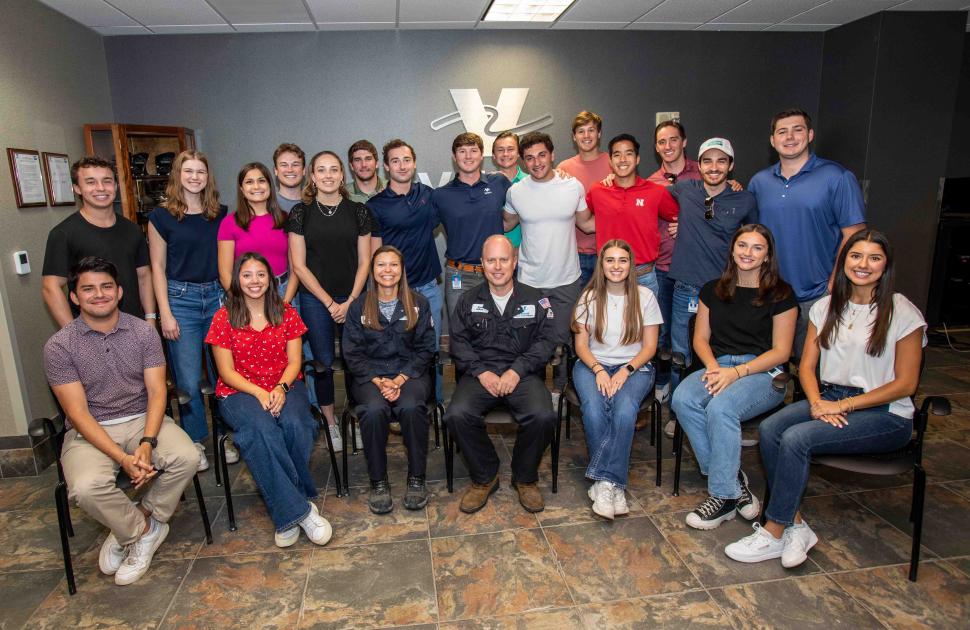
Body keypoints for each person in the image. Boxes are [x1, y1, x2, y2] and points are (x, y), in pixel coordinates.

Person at [726, 229, 924, 568]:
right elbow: (806, 368)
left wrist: (842, 406)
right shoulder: (825, 306)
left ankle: (774, 531)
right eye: (855, 256)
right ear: (843, 261)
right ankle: (796, 524)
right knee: (772, 429)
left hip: (885, 413)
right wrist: (819, 403)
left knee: (797, 438)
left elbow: (906, 384)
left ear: (885, 265)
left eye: (874, 257)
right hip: (830, 396)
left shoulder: (902, 312)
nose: (863, 264)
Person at [45, 257, 198, 586]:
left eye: (106, 287)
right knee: (86, 488)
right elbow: (78, 413)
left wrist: (146, 443)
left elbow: (157, 392)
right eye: (88, 289)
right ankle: (141, 531)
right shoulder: (60, 346)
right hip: (91, 432)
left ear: (119, 292)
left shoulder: (143, 332)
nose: (98, 295)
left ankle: (141, 517)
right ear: (74, 297)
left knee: (187, 457)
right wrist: (122, 459)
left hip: (142, 419)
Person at [670, 224, 797, 530]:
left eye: (757, 248)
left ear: (767, 256)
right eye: (742, 245)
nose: (748, 253)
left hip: (764, 373)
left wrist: (736, 373)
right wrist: (715, 368)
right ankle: (731, 479)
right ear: (733, 250)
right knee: (682, 399)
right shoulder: (713, 289)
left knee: (720, 408)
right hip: (718, 364)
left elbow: (781, 352)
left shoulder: (781, 294)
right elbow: (700, 338)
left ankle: (723, 495)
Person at [205, 253, 332, 548]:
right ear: (237, 279)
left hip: (284, 385)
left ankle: (286, 506)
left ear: (270, 279)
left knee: (298, 424)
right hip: (240, 392)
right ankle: (298, 511)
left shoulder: (286, 311)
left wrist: (279, 388)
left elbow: (295, 361)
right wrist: (260, 392)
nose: (254, 281)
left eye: (260, 274)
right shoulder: (223, 317)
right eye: (247, 275)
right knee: (260, 431)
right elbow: (225, 372)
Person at [445, 235, 557, 514]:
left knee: (543, 416)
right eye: (491, 260)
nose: (497, 266)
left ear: (515, 262)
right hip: (480, 374)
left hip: (523, 373)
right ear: (482, 264)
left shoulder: (537, 299)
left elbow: (546, 342)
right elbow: (458, 343)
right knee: (456, 415)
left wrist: (516, 372)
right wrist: (481, 373)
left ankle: (525, 477)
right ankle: (485, 475)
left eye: (503, 259)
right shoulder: (467, 300)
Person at [748, 109, 866, 358]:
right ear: (772, 140)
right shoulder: (759, 182)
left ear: (810, 134)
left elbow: (854, 235)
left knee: (813, 366)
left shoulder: (837, 177)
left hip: (816, 292)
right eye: (782, 131)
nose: (789, 137)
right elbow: (751, 236)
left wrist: (835, 282)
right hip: (770, 291)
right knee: (772, 365)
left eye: (797, 129)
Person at [147, 150, 229, 471]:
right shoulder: (161, 217)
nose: (195, 177)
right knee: (190, 379)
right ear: (178, 175)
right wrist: (164, 313)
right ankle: (196, 441)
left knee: (224, 373)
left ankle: (227, 435)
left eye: (201, 172)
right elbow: (157, 266)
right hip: (180, 299)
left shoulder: (220, 213)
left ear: (208, 177)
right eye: (188, 171)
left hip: (218, 296)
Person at [288, 150, 374, 451]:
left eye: (334, 170)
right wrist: (328, 302)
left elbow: (366, 261)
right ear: (312, 176)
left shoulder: (359, 211)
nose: (328, 175)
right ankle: (331, 423)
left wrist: (350, 300)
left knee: (355, 360)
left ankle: (358, 419)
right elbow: (298, 265)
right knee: (322, 363)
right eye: (321, 170)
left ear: (342, 175)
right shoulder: (300, 213)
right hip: (315, 300)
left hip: (354, 298)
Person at [572, 240, 662, 520]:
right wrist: (599, 370)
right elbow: (581, 346)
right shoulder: (588, 297)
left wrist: (626, 371)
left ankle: (604, 482)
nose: (616, 266)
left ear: (630, 265)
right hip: (592, 365)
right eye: (610, 260)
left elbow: (650, 348)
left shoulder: (645, 296)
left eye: (622, 260)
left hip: (635, 367)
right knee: (595, 409)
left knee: (624, 411)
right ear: (601, 265)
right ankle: (613, 484)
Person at [342, 246, 435, 514]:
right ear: (372, 271)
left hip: (409, 374)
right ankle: (379, 482)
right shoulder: (358, 306)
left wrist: (400, 378)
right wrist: (379, 380)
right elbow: (352, 352)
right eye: (381, 265)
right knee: (373, 410)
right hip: (370, 378)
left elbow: (426, 348)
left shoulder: (419, 303)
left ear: (402, 270)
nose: (387, 271)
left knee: (411, 407)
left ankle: (417, 479)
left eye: (393, 265)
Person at [503, 131, 592, 397]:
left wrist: (625, 219)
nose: (537, 162)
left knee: (564, 340)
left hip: (566, 280)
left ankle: (562, 392)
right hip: (530, 281)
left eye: (542, 155)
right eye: (529, 158)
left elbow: (587, 223)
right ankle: (537, 393)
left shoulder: (573, 186)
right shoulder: (516, 192)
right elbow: (506, 223)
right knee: (532, 340)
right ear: (523, 161)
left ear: (552, 155)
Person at [666, 138, 759, 391]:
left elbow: (755, 239)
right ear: (699, 165)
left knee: (718, 350)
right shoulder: (685, 189)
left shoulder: (745, 199)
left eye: (721, 161)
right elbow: (646, 191)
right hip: (687, 288)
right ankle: (677, 409)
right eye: (707, 161)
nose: (714, 167)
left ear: (731, 166)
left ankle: (714, 401)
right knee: (681, 351)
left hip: (725, 289)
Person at [367, 139, 443, 403]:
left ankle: (433, 406)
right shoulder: (375, 205)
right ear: (386, 167)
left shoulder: (429, 195)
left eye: (407, 160)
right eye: (395, 160)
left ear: (414, 163)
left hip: (428, 287)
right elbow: (374, 254)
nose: (402, 165)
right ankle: (398, 404)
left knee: (430, 350)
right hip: (393, 293)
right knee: (396, 352)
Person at [42, 156, 155, 326]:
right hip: (91, 332)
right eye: (91, 182)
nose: (101, 188)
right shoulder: (63, 233)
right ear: (77, 188)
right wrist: (75, 336)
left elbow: (144, 277)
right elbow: (51, 288)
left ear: (116, 186)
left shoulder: (132, 230)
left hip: (134, 328)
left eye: (107, 181)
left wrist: (150, 318)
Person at [583, 134, 679, 299]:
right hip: (608, 277)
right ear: (610, 161)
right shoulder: (598, 191)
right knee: (606, 325)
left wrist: (682, 225)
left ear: (637, 159)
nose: (622, 159)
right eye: (617, 154)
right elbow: (582, 217)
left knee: (647, 325)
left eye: (628, 153)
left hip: (644, 277)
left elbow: (679, 217)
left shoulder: (656, 192)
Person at [646, 120, 702, 404]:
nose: (668, 146)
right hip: (663, 268)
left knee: (692, 337)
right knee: (663, 332)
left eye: (673, 140)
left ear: (684, 141)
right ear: (656, 147)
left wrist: (691, 224)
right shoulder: (652, 182)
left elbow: (721, 211)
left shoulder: (705, 173)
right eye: (661, 142)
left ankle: (688, 397)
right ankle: (665, 382)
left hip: (697, 270)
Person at [432, 132, 512, 323]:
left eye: (473, 151)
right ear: (454, 156)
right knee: (461, 334)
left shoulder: (499, 183)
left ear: (482, 154)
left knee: (499, 330)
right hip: (459, 276)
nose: (468, 156)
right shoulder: (441, 195)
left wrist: (555, 174)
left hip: (496, 272)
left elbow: (524, 201)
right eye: (462, 151)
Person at [218, 162, 297, 302]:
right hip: (244, 294)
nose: (256, 186)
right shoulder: (229, 223)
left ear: (270, 187)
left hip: (282, 293)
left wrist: (286, 302)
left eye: (261, 181)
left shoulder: (286, 219)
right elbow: (225, 273)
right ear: (241, 189)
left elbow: (295, 268)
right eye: (249, 182)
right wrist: (242, 303)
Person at [558, 111, 611, 287]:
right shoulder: (564, 168)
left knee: (605, 311)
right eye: (581, 131)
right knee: (576, 311)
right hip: (574, 254)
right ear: (574, 137)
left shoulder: (614, 164)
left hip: (607, 252)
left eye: (591, 130)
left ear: (599, 134)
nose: (586, 136)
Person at [491, 131, 528, 248]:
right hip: (495, 254)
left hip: (526, 255)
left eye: (510, 149)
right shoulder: (485, 185)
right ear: (493, 155)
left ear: (518, 153)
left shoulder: (530, 182)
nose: (505, 154)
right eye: (500, 150)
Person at [273, 143, 305, 213]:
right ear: (275, 171)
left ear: (303, 170)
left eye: (295, 164)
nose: (290, 170)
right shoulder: (267, 205)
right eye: (284, 165)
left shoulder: (316, 204)